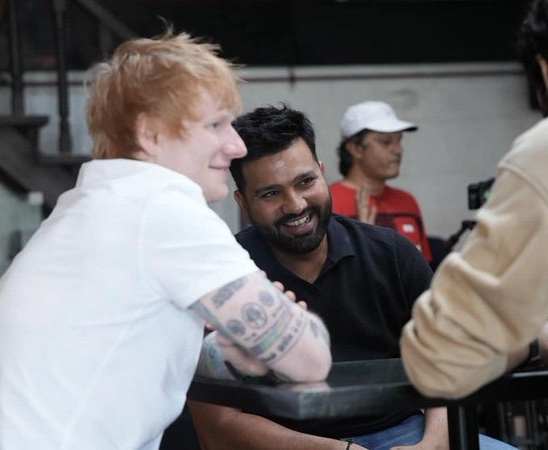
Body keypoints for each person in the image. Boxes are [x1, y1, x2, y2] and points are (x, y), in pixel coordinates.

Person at [0, 33, 332, 449]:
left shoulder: (93, 206)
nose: (236, 145)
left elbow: (132, 356)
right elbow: (310, 360)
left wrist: (231, 352)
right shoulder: (162, 208)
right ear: (150, 135)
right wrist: (284, 325)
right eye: (215, 125)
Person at [188, 105, 513, 450]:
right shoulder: (220, 276)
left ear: (323, 173)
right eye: (271, 193)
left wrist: (429, 446)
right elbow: (217, 427)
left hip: (407, 433)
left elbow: (452, 365)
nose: (295, 205)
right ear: (243, 202)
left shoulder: (392, 254)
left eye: (306, 182)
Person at [399, 0, 548, 399]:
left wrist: (532, 340)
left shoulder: (540, 156)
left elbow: (439, 359)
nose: (395, 149)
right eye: (383, 140)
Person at [329, 101, 432, 263]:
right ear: (356, 148)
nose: (398, 150)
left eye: (399, 140)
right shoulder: (328, 203)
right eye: (385, 142)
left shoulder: (407, 201)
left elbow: (423, 269)